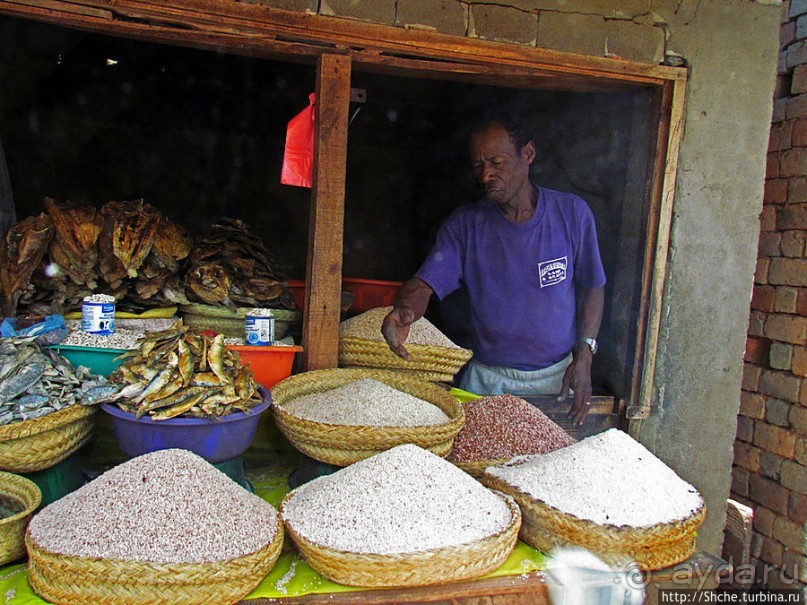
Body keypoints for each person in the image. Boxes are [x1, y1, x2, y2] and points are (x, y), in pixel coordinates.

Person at [381, 110, 606, 426]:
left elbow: (594, 286)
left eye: (497, 163)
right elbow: (424, 284)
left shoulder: (572, 214)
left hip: (557, 381)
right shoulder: (466, 225)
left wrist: (585, 354)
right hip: (488, 382)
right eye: (478, 165)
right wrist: (404, 310)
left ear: (527, 154)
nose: (486, 175)